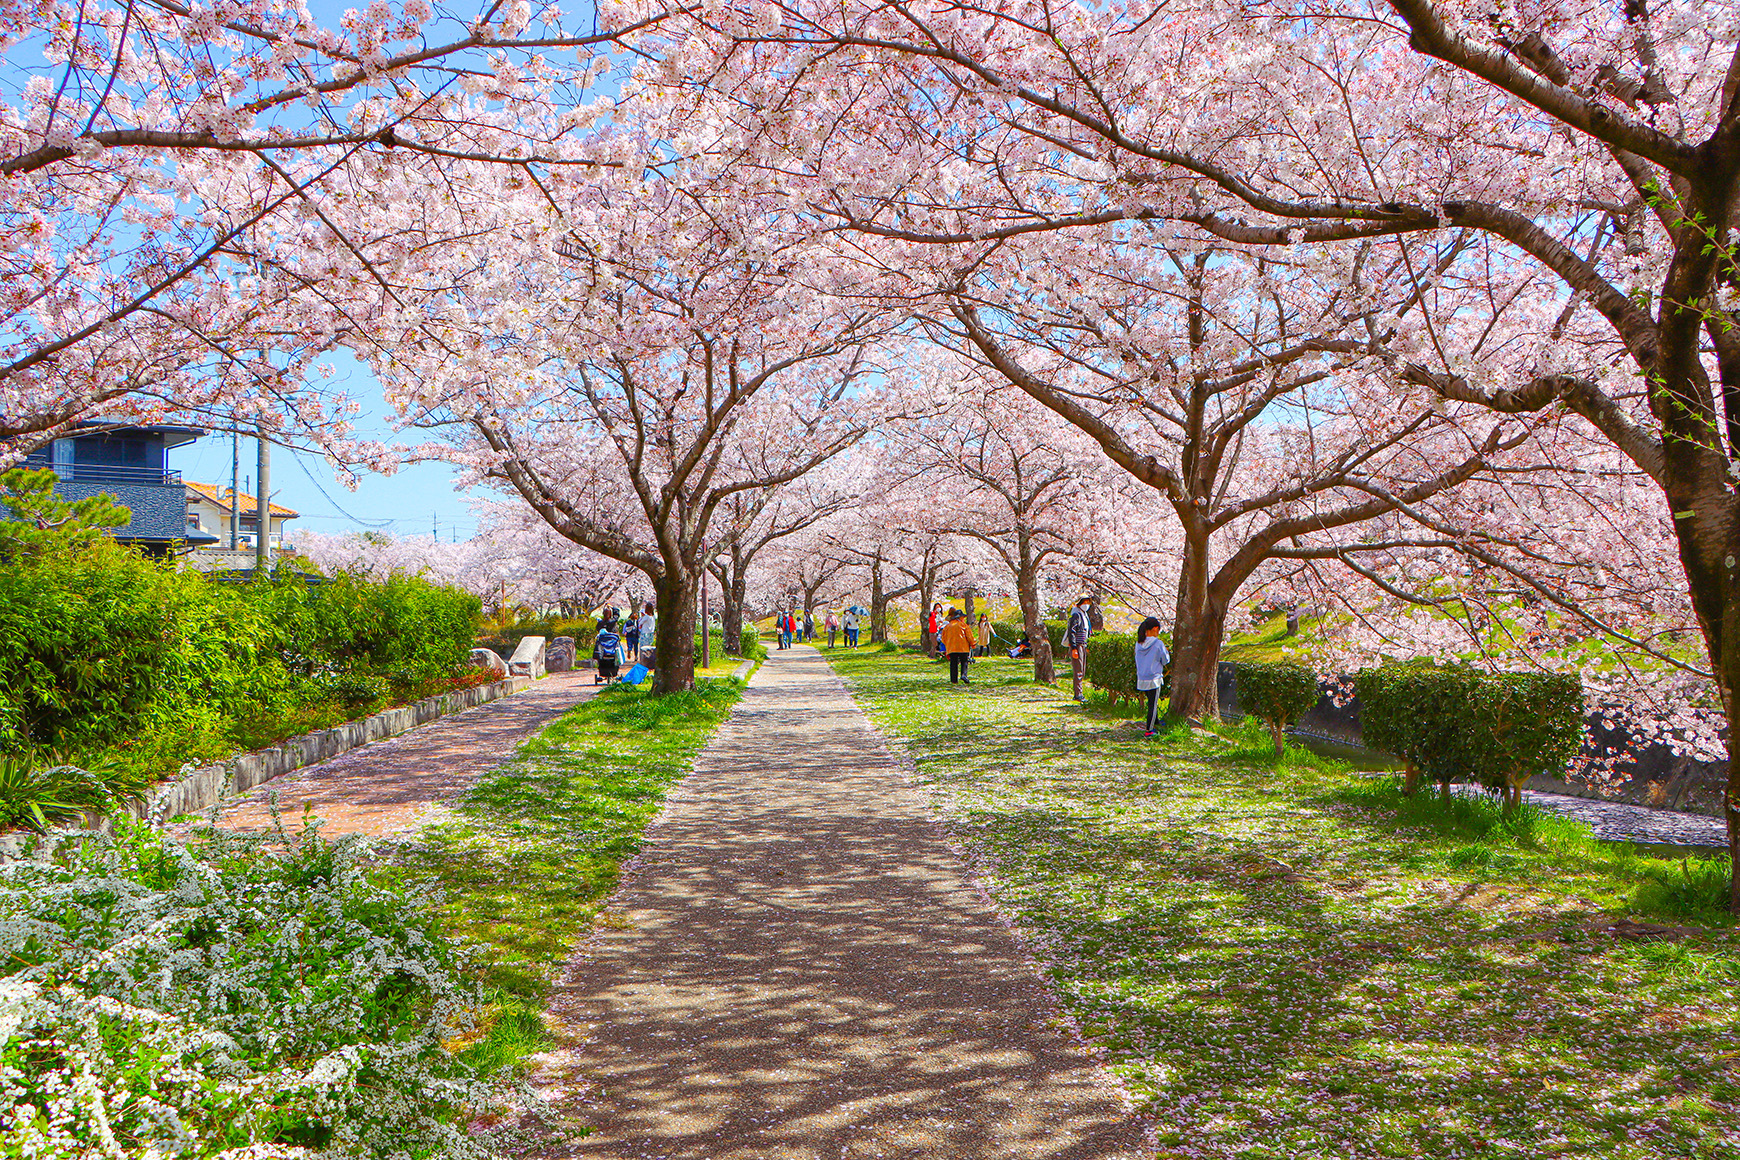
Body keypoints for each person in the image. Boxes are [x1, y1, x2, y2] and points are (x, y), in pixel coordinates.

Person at [1134, 615, 1171, 737]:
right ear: (1155, 628)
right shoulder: (1158, 643)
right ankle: (1149, 730)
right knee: (1152, 704)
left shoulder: (1139, 643)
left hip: (1142, 677)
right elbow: (1165, 660)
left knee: (1151, 701)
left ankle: (1156, 722)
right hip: (1154, 678)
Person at [1066, 595, 1095, 702]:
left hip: (1083, 644)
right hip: (1078, 645)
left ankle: (1079, 693)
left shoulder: (1084, 615)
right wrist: (1074, 648)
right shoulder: (1076, 615)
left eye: (1088, 602)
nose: (1086, 605)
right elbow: (1072, 631)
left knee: (1082, 670)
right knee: (1078, 670)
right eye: (1085, 602)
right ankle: (1078, 694)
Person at [940, 608, 976, 684]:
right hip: (963, 647)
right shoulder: (964, 625)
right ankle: (963, 675)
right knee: (964, 662)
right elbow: (969, 636)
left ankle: (954, 680)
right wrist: (973, 644)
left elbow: (943, 638)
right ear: (960, 617)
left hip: (952, 648)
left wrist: (948, 644)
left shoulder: (947, 626)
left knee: (953, 663)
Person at [592, 615, 623, 684]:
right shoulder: (612, 621)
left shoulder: (600, 623)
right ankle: (614, 672)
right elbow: (616, 616)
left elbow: (597, 628)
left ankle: (602, 672)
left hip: (604, 653)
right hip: (612, 651)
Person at [637, 601, 657, 667]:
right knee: (649, 647)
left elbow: (640, 623)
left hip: (645, 633)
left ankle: (642, 661)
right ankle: (649, 661)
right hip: (651, 633)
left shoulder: (646, 617)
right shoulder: (653, 616)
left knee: (643, 648)